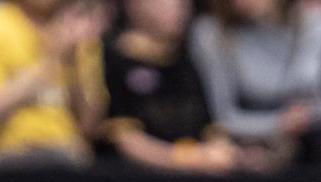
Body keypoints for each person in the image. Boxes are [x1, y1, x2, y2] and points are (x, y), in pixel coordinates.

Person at [188, 0, 321, 168]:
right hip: (248, 148)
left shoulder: (320, 25)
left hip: (318, 143)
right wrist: (279, 123)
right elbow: (223, 117)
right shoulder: (213, 33)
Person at [0, 0, 110, 159]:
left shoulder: (81, 28)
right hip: (10, 155)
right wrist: (52, 60)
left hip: (69, 153)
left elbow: (89, 127)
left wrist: (73, 63)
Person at [101, 0, 238, 172]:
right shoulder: (112, 59)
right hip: (137, 178)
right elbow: (124, 140)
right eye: (167, 4)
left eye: (183, 5)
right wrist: (189, 159)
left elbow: (211, 129)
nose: (179, 12)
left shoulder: (187, 61)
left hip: (197, 177)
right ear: (135, 5)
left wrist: (223, 152)